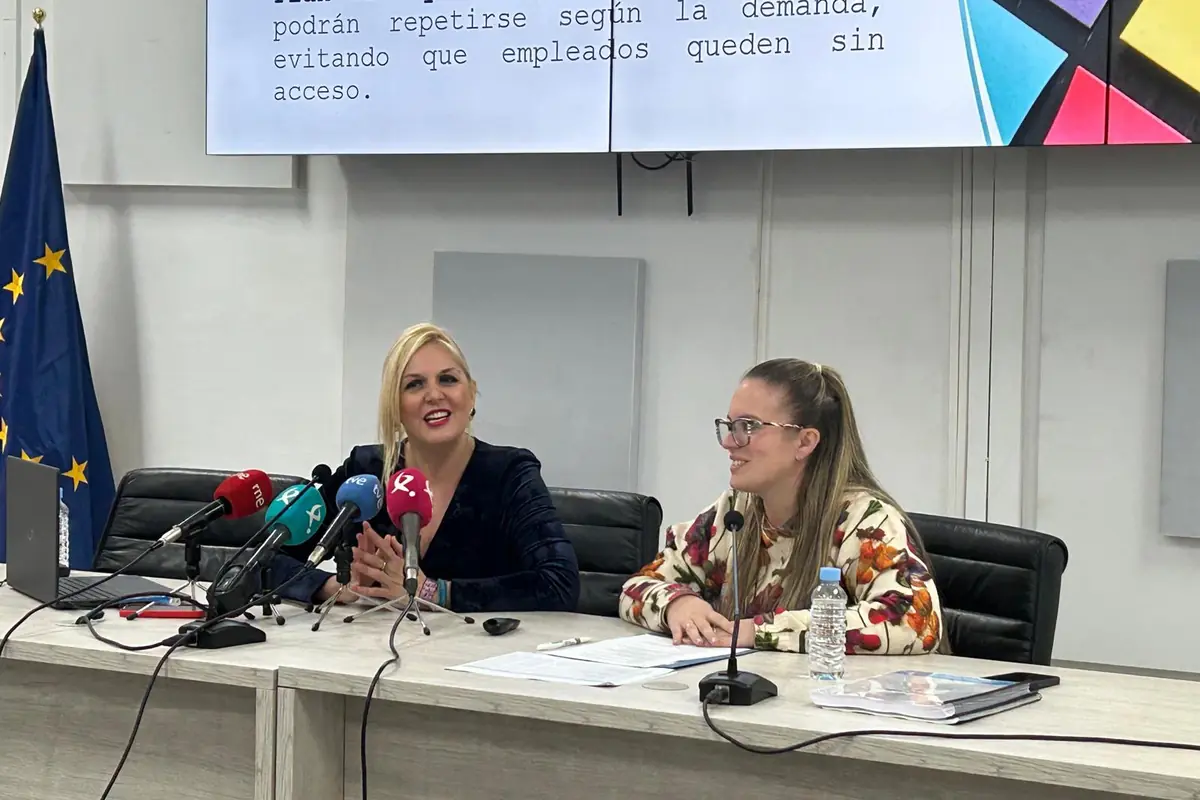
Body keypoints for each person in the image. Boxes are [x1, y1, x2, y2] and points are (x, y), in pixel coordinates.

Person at [619, 359, 943, 655]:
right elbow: (636, 587)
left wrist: (759, 631)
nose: (729, 442)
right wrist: (678, 604)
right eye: (729, 426)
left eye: (748, 427)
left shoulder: (865, 520)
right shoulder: (735, 511)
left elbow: (915, 622)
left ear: (805, 442)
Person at [269, 323, 581, 614]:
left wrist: (430, 592)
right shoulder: (365, 471)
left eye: (448, 379)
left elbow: (559, 584)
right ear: (395, 406)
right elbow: (260, 562)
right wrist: (333, 587)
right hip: (362, 652)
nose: (434, 395)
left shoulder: (509, 474)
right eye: (415, 384)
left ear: (471, 393)